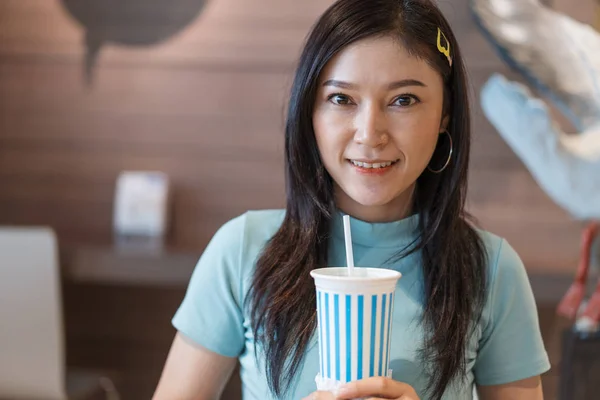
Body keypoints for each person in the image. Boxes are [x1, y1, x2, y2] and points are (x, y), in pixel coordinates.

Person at [152, 0, 550, 399]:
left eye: (403, 100)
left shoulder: (491, 270)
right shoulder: (243, 250)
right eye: (342, 99)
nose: (369, 134)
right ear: (310, 111)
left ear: (445, 113)